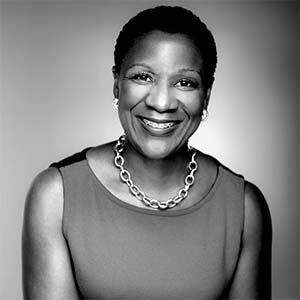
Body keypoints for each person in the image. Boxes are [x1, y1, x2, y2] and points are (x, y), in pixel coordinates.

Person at [22, 5, 272, 299]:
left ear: (206, 93)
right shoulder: (56, 196)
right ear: (117, 84)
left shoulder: (243, 207)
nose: (162, 102)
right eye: (143, 77)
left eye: (185, 82)